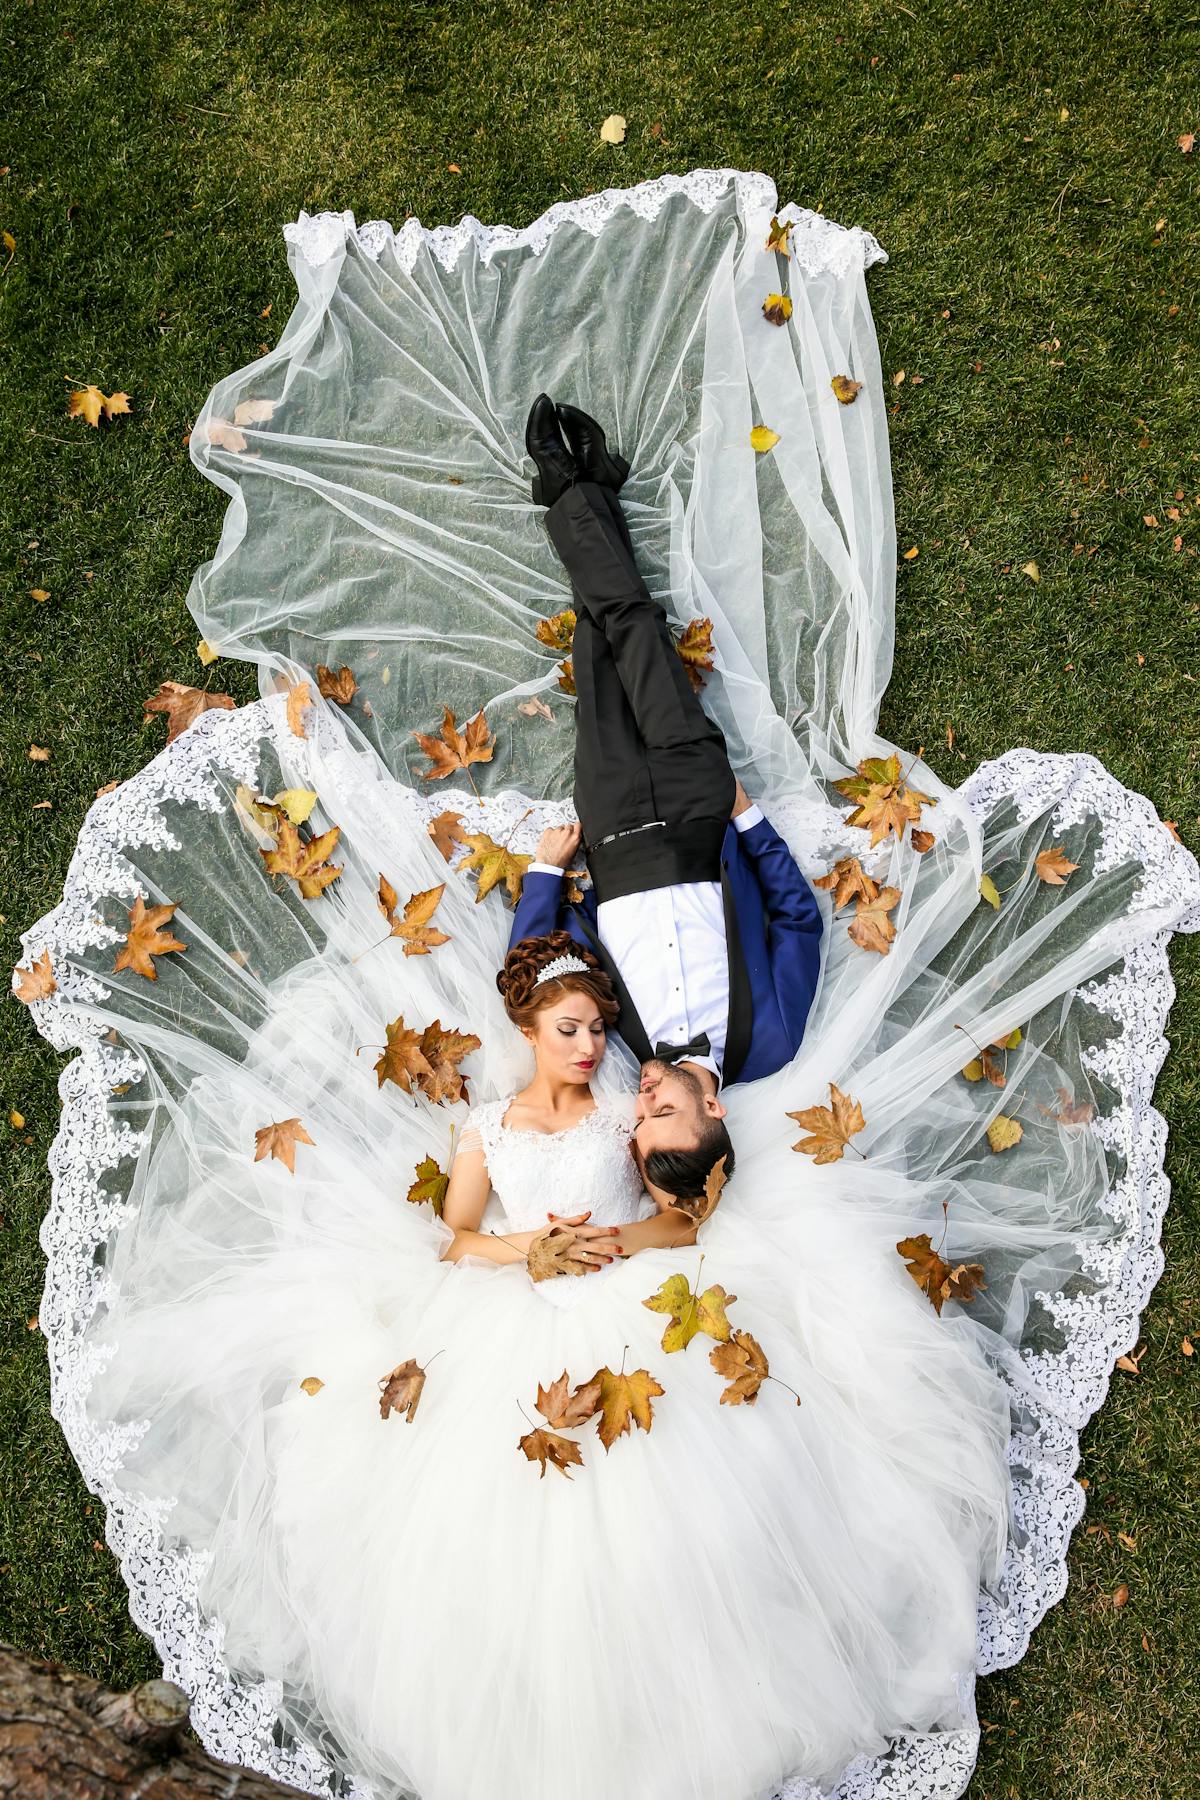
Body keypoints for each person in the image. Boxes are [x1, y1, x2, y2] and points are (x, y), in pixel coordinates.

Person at [14, 169, 1199, 1800]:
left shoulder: (555, 1080)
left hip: (579, 1221)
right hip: (620, 1121)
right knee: (633, 1525)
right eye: (603, 1052)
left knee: (617, 1516)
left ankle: (591, 526)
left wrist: (545, 1212)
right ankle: (590, 522)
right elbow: (563, 1155)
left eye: (603, 1054)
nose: (610, 1061)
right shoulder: (644, 1071)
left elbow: (499, 1182)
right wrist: (576, 1203)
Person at [510, 395, 825, 1205]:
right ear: (712, 1106)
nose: (644, 1100)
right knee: (637, 635)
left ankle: (589, 490)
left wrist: (545, 880)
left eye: (640, 1119)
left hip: (611, 833)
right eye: (666, 1110)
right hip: (698, 812)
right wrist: (746, 818)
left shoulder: (613, 1056)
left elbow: (536, 979)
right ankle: (566, 483)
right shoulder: (774, 1039)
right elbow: (795, 918)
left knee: (600, 644)